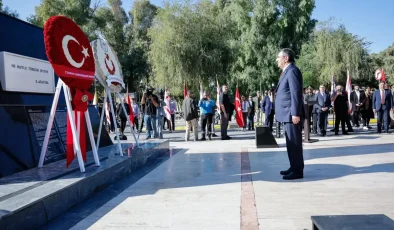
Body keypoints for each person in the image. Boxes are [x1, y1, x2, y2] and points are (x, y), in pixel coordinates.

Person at [274, 48, 304, 180]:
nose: (277, 60)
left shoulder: (292, 71)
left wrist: (296, 113)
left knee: (295, 143)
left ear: (286, 58)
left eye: (278, 57)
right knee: (290, 143)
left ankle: (297, 170)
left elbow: (295, 94)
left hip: (291, 114)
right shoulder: (286, 71)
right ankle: (293, 166)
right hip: (287, 114)